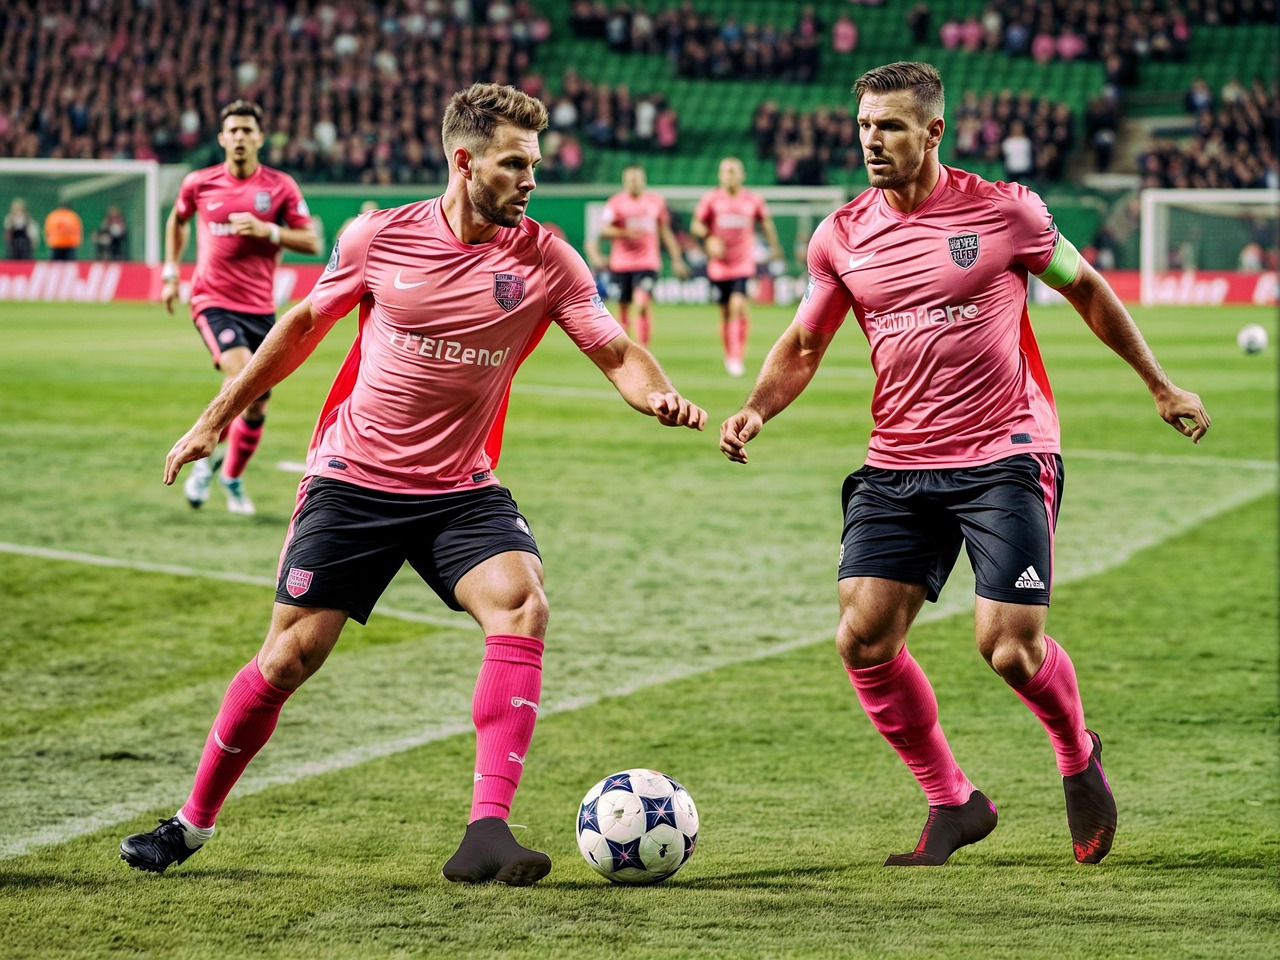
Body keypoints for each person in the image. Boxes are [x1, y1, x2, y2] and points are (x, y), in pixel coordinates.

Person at [119, 83, 707, 886]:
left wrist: (658, 395)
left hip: (460, 488)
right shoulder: (379, 237)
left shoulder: (545, 257)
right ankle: (190, 824)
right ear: (464, 162)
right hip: (353, 479)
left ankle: (487, 831)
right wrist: (216, 417)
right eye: (514, 164)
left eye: (533, 163)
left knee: (522, 603)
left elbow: (616, 351)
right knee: (290, 657)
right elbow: (302, 326)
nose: (531, 179)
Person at [719, 61, 1210, 868]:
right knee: (863, 637)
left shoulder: (1006, 212)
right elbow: (806, 342)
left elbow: (1087, 289)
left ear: (933, 131)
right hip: (898, 460)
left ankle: (1076, 753)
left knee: (1009, 647)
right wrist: (757, 408)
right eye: (865, 126)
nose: (872, 141)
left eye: (891, 126)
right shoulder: (840, 235)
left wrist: (1159, 384)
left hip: (1004, 451)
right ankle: (954, 802)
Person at [161, 99, 320, 516]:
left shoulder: (280, 187)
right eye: (233, 130)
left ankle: (230, 475)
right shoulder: (199, 183)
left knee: (258, 399)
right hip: (212, 300)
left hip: (261, 309)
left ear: (260, 138)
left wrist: (269, 230)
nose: (240, 137)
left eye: (247, 130)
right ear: (221, 138)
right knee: (240, 373)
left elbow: (311, 241)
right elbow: (178, 219)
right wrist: (170, 272)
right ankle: (204, 455)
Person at [691, 157, 783, 377]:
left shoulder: (753, 200)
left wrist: (775, 246)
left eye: (734, 171)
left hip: (743, 264)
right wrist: (710, 238)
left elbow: (766, 223)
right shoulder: (711, 199)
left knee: (738, 305)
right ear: (720, 175)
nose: (730, 175)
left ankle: (736, 356)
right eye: (726, 171)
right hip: (719, 265)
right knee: (725, 313)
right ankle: (729, 353)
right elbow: (696, 225)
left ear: (742, 175)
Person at [586, 164, 689, 347]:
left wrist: (677, 259)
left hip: (647, 263)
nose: (634, 183)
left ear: (643, 180)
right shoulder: (615, 203)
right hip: (622, 264)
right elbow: (603, 230)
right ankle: (626, 349)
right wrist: (625, 233)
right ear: (624, 181)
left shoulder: (656, 202)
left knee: (642, 302)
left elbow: (665, 232)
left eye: (637, 179)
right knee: (623, 306)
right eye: (630, 179)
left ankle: (643, 348)